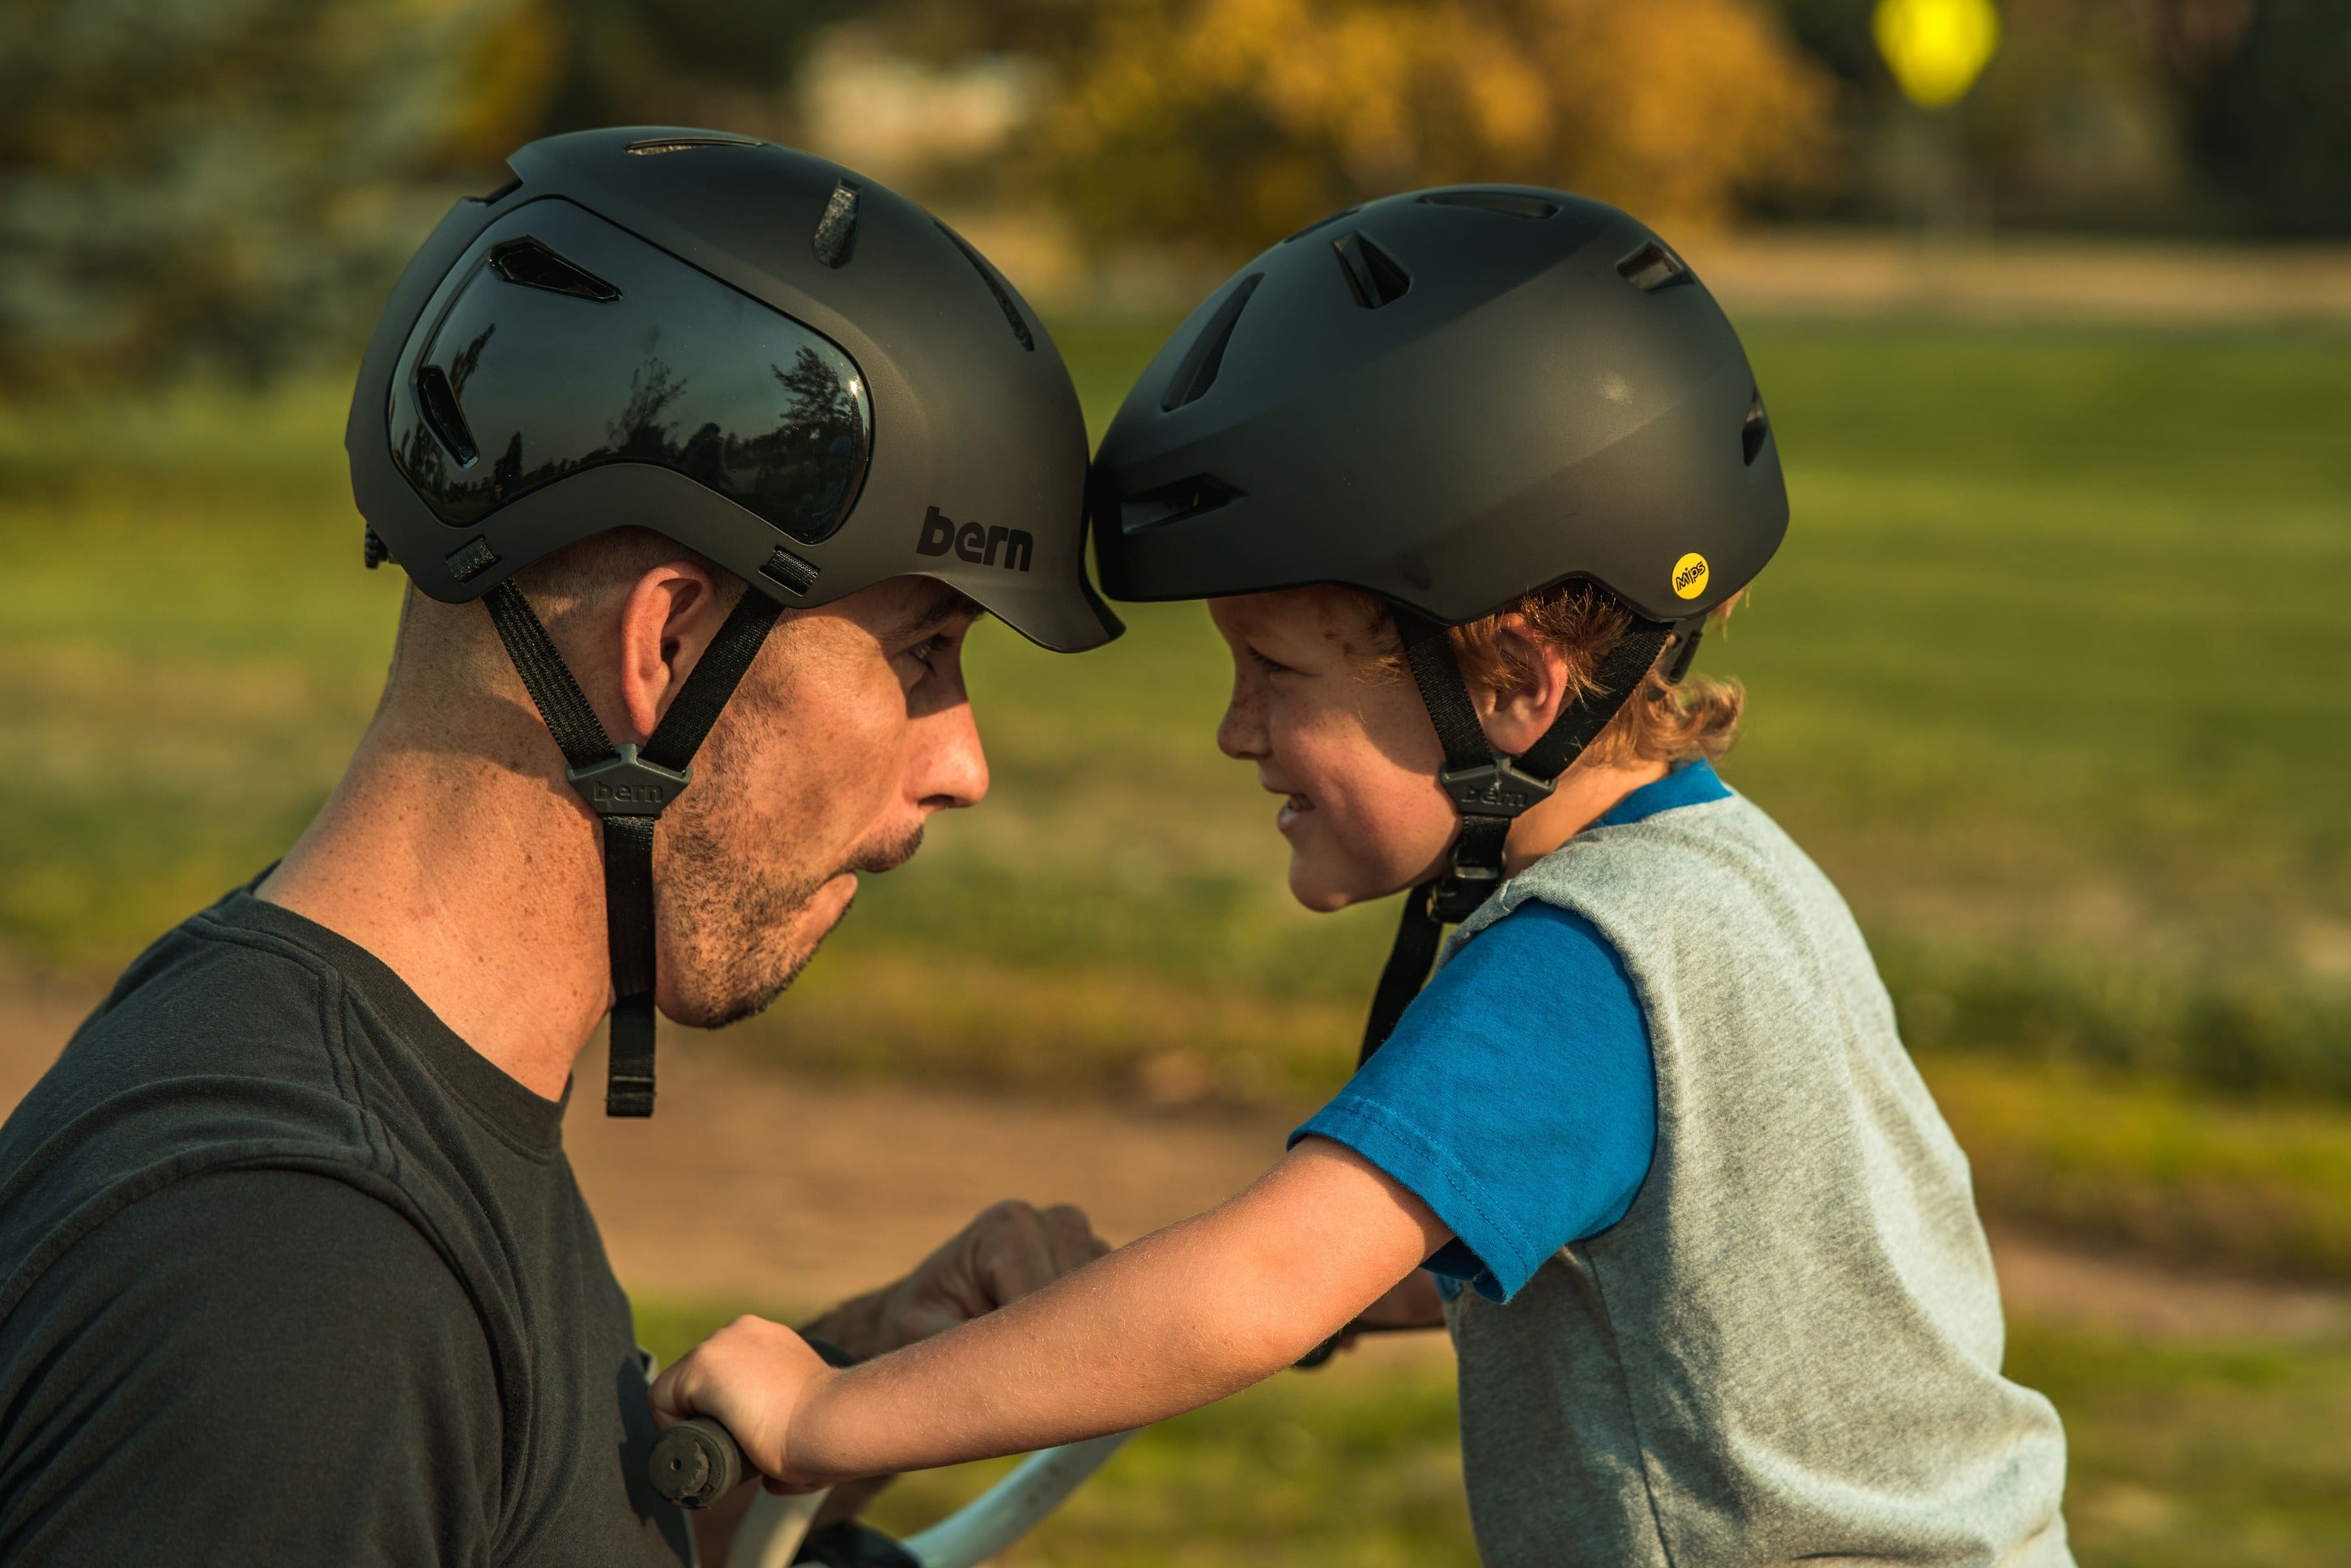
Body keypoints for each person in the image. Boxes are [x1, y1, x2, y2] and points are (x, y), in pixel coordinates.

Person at [653, 188, 2077, 1566]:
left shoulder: (1579, 968)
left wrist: (831, 1410)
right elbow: (1602, 1253)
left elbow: (1259, 1288)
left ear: (1515, 681)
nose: (1234, 731)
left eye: (1274, 670)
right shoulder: (1730, 882)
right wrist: (1127, 1306)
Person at [0, 130, 1122, 1566]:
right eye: (920, 656)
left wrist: (867, 1383)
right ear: (665, 646)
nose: (962, 764)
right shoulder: (301, 1280)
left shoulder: (382, 1109)